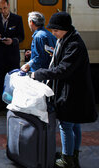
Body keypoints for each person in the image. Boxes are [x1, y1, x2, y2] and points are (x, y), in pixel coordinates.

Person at [30, 12, 98, 168]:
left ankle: (67, 159)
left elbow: (62, 70)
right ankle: (72, 154)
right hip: (74, 90)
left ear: (64, 28)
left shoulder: (74, 44)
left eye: (55, 30)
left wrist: (38, 74)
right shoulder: (68, 39)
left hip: (71, 92)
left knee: (66, 125)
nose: (53, 33)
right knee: (74, 124)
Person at [0, 0, 24, 111]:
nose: (3, 11)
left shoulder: (17, 19)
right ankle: (2, 103)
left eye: (4, 8)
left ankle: (13, 102)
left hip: (12, 55)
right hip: (0, 55)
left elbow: (21, 36)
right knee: (1, 79)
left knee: (14, 79)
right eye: (0, 9)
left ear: (8, 6)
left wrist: (13, 41)